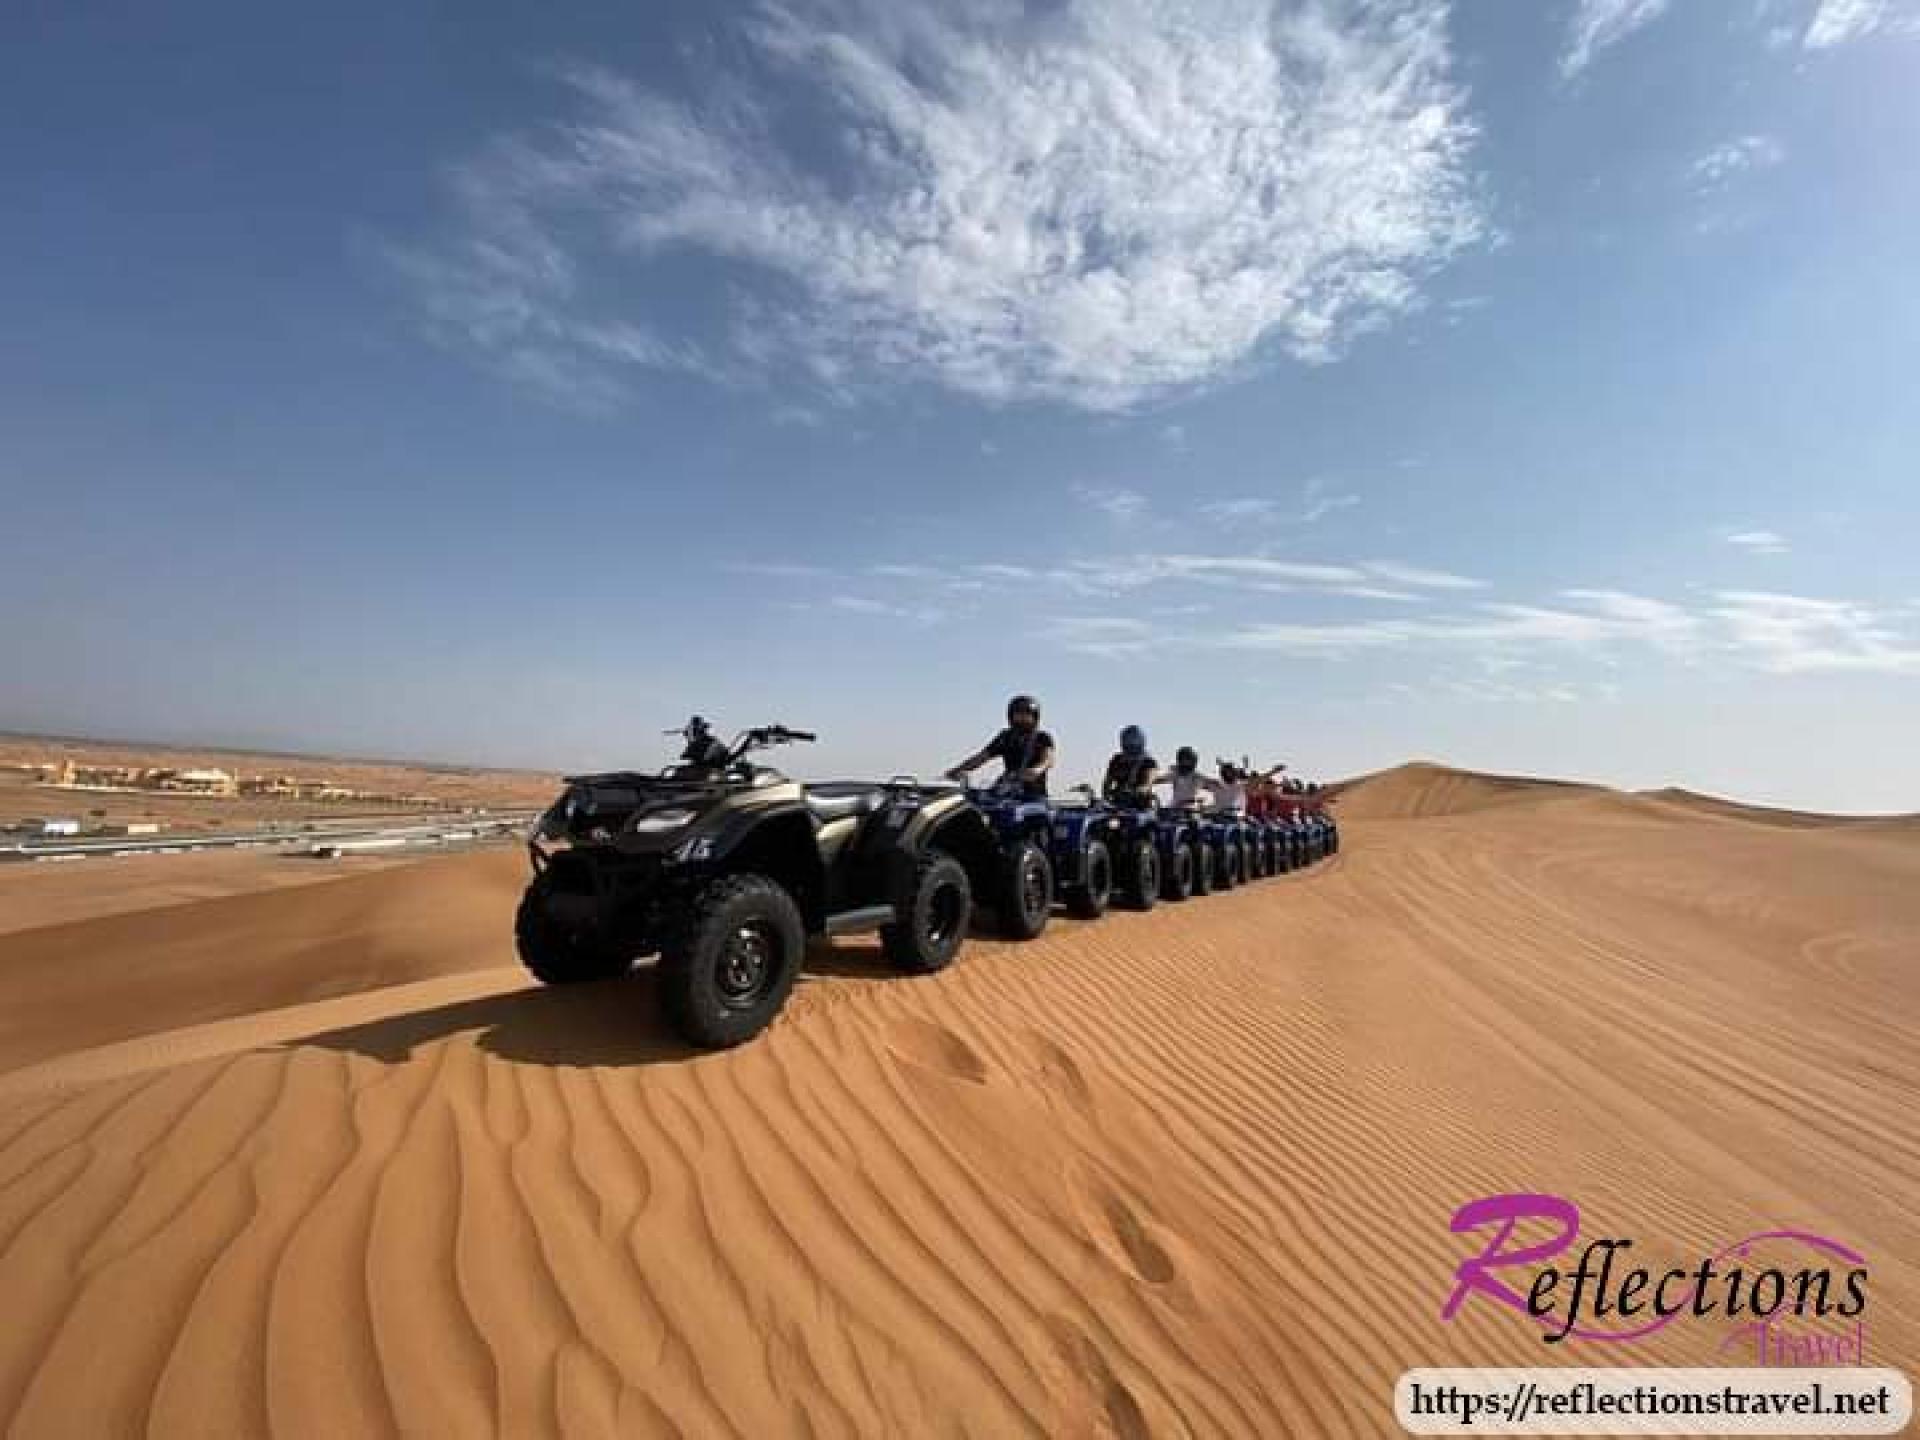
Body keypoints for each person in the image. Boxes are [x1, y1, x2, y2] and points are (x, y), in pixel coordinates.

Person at [946, 694, 1056, 798]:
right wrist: (954, 772)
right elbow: (981, 757)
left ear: (1034, 717)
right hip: (1007, 792)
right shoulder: (1005, 737)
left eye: (1026, 715)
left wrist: (1036, 770)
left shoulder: (1042, 737)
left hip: (1033, 797)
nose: (1021, 718)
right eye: (1018, 715)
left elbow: (1048, 760)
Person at [1101, 725, 1158, 807]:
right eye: (1128, 742)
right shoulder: (1116, 760)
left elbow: (1149, 781)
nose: (1131, 745)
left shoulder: (1148, 762)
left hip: (1140, 806)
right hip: (1117, 803)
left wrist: (1142, 789)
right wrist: (1106, 796)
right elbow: (1107, 782)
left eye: (1133, 742)